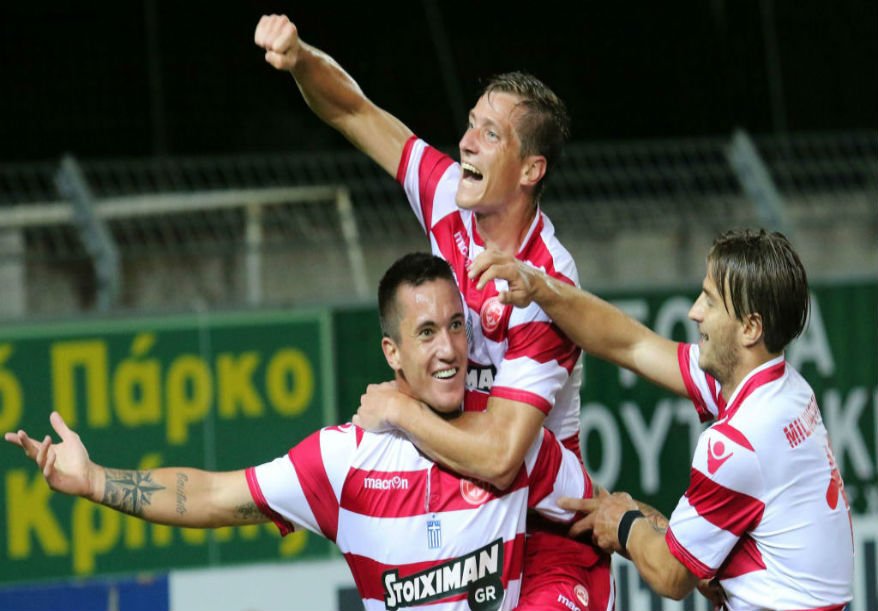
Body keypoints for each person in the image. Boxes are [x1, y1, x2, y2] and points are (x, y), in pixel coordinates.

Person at [5, 252, 596, 611]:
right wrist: (95, 481)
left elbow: (599, 517)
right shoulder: (343, 460)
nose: (449, 349)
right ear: (391, 352)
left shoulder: (509, 440)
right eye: (426, 333)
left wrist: (648, 539)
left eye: (457, 326)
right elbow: (212, 495)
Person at [254, 15, 609, 610]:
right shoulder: (449, 198)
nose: (465, 142)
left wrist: (399, 410)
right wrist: (301, 58)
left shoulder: (545, 282)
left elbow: (502, 458)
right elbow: (355, 111)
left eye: (490, 134)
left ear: (531, 170)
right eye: (471, 124)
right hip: (464, 510)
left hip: (545, 530)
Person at [469, 228, 854, 610]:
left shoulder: (739, 442)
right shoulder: (786, 388)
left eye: (711, 301)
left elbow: (671, 577)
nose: (694, 312)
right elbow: (631, 345)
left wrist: (622, 522)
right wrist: (539, 286)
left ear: (750, 328)